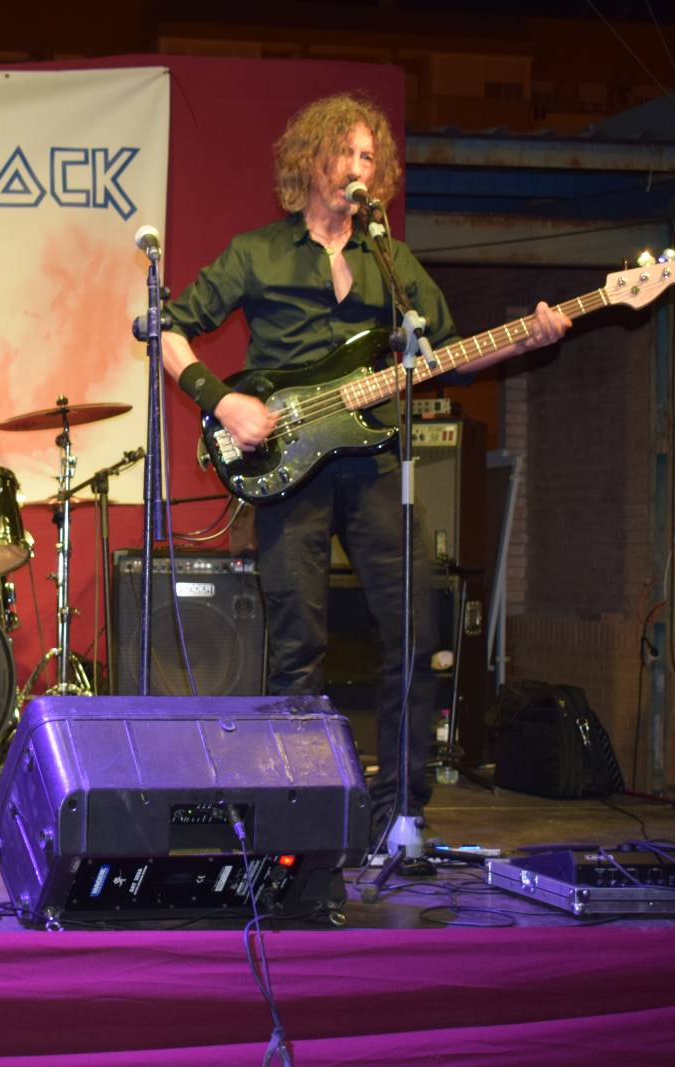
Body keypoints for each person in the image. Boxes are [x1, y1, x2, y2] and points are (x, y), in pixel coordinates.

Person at [160, 91, 571, 838]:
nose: (360, 167)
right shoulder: (257, 252)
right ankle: (294, 813)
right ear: (312, 159)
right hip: (287, 463)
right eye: (348, 153)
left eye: (370, 157)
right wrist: (224, 402)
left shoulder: (391, 260)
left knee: (413, 631)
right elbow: (168, 328)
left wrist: (525, 336)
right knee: (298, 643)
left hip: (374, 460)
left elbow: (448, 356)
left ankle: (401, 813)